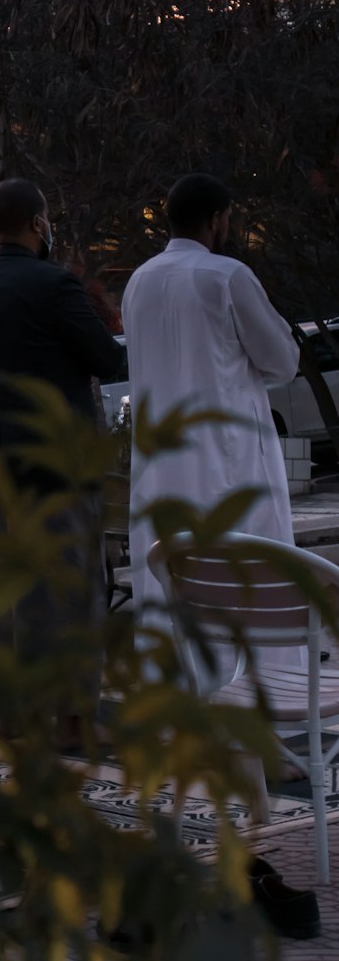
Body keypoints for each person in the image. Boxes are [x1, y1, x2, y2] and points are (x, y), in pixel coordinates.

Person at [0, 178, 125, 738]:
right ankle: (73, 715)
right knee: (74, 590)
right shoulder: (54, 285)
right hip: (58, 464)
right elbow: (105, 357)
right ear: (37, 223)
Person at [121, 173, 300, 624]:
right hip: (229, 458)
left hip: (160, 462)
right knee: (244, 574)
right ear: (217, 220)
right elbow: (283, 360)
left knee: (172, 579)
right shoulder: (227, 276)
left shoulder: (138, 282)